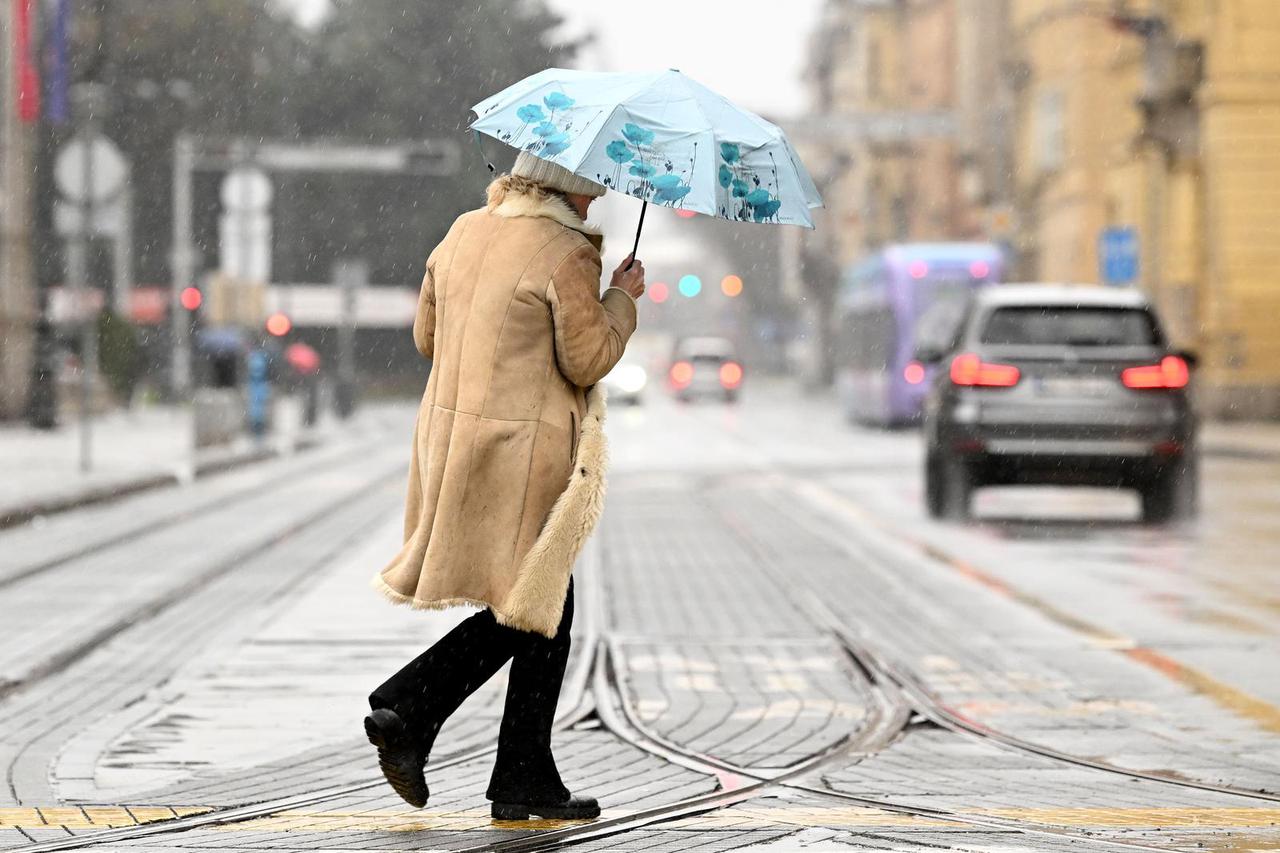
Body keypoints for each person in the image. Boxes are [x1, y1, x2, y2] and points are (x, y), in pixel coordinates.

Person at [365, 150, 645, 821]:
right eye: (590, 192)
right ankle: (410, 706)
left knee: (543, 608)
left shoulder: (463, 231)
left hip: (456, 439)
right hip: (525, 451)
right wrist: (621, 300)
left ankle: (521, 773)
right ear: (567, 188)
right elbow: (587, 359)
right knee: (534, 604)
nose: (596, 204)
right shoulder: (566, 253)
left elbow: (427, 337)